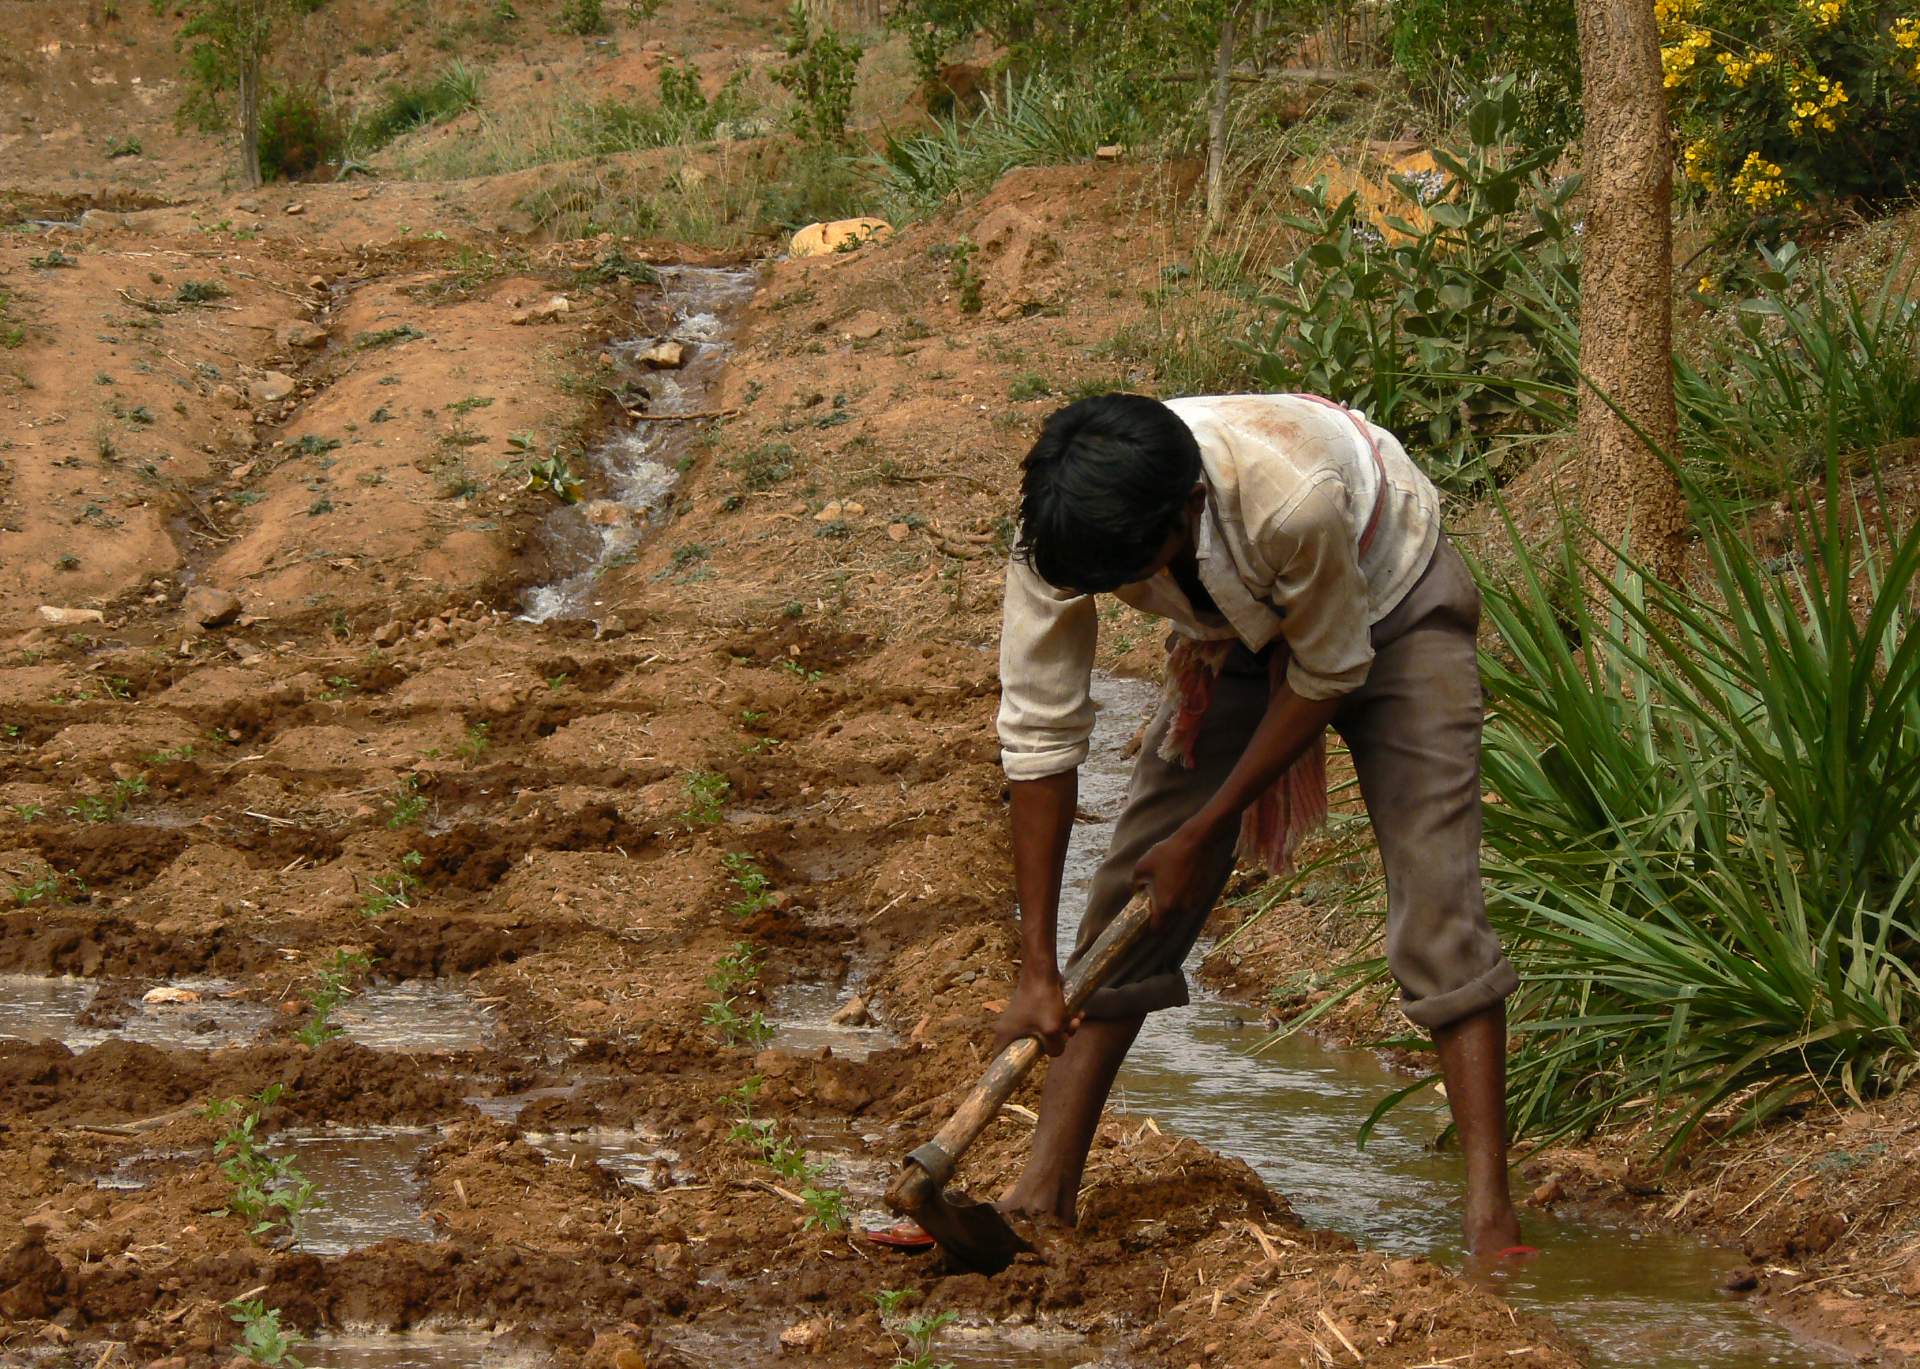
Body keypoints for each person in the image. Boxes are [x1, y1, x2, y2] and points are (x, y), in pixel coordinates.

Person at [989, 391, 1525, 1258]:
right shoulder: (1061, 534)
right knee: (1132, 892)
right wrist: (1038, 967)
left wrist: (1207, 830)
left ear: (1190, 508)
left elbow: (1333, 667)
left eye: (1130, 574)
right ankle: (1042, 1191)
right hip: (1234, 629)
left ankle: (1490, 1219)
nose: (1117, 592)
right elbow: (1040, 736)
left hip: (1392, 595)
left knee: (1437, 908)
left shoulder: (1292, 497)